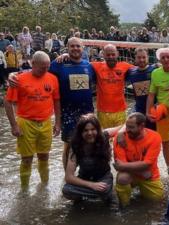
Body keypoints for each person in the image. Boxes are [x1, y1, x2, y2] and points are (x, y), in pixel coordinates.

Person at [4, 51, 61, 189]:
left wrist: (58, 122)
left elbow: (57, 101)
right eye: (42, 67)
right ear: (32, 63)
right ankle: (24, 190)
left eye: (47, 67)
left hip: (46, 121)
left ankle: (44, 186)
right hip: (26, 122)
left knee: (44, 156)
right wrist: (14, 125)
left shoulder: (52, 78)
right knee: (27, 159)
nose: (45, 70)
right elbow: (8, 102)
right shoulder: (19, 79)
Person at [49, 37, 96, 169]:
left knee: (88, 145)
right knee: (69, 146)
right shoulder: (57, 64)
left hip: (87, 114)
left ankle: (85, 172)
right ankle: (67, 176)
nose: (75, 48)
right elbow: (40, 74)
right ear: (67, 48)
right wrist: (14, 75)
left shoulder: (89, 66)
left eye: (78, 46)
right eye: (72, 46)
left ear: (83, 48)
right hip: (68, 114)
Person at [113, 112, 164, 207]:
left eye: (131, 127)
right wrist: (142, 171)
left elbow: (147, 164)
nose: (127, 130)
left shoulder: (155, 137)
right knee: (122, 178)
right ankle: (124, 206)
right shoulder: (119, 138)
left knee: (158, 202)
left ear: (141, 126)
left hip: (149, 176)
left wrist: (124, 166)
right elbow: (120, 166)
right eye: (126, 126)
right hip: (136, 174)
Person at [62, 114, 113, 203]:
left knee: (104, 189)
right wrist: (91, 185)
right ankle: (99, 195)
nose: (90, 133)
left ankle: (89, 194)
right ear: (80, 133)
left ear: (97, 130)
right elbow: (68, 177)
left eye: (93, 129)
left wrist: (120, 136)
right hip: (85, 179)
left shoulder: (104, 137)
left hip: (103, 178)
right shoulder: (75, 146)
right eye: (85, 130)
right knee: (67, 190)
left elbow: (123, 126)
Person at [146, 48, 169, 166]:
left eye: (168, 57)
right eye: (163, 57)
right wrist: (148, 112)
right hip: (162, 113)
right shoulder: (155, 73)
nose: (165, 59)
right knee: (165, 142)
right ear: (159, 59)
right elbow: (151, 95)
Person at [91, 44, 133, 128]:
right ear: (103, 54)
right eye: (108, 54)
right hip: (103, 112)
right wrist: (65, 55)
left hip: (120, 111)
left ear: (117, 54)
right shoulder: (96, 66)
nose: (111, 57)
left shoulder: (125, 66)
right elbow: (79, 63)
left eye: (113, 54)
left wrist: (155, 66)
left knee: (119, 138)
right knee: (104, 138)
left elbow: (141, 69)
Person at [126, 48, 156, 130]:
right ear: (135, 58)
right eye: (139, 57)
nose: (141, 60)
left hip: (154, 111)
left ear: (148, 57)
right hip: (139, 111)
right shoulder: (130, 72)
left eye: (144, 57)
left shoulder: (155, 70)